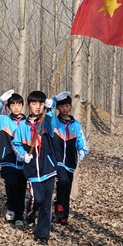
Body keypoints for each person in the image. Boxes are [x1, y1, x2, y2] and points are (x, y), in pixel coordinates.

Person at [12, 91, 57, 245]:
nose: (37, 107)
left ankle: (43, 234)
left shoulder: (45, 122)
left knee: (47, 202)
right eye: (34, 103)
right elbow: (16, 144)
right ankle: (30, 214)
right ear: (29, 105)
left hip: (48, 168)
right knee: (37, 198)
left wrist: (50, 110)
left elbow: (51, 122)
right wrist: (23, 155)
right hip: (32, 170)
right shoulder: (23, 126)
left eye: (41, 103)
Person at [0, 89, 27, 226]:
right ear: (9, 107)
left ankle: (19, 215)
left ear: (23, 106)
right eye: (13, 105)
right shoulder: (2, 121)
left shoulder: (27, 123)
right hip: (8, 160)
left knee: (22, 188)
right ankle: (11, 207)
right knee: (11, 183)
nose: (16, 107)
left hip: (24, 161)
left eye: (19, 104)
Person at [52, 92, 87, 225]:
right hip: (57, 160)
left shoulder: (76, 124)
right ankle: (58, 204)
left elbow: (80, 139)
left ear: (70, 107)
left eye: (67, 106)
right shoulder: (54, 121)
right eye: (61, 106)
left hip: (71, 161)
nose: (64, 109)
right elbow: (46, 113)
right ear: (58, 108)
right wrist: (54, 100)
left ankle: (63, 216)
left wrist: (82, 149)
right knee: (63, 180)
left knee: (67, 188)